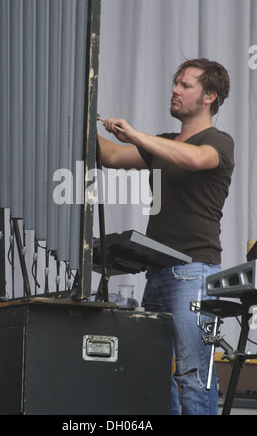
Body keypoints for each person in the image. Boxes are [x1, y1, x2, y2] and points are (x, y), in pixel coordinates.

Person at [98, 58, 234, 415]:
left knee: (191, 377)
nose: (174, 90)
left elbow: (193, 159)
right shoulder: (163, 143)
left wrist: (137, 135)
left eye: (185, 85)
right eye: (176, 84)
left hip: (193, 272)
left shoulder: (218, 141)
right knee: (153, 376)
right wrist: (76, 116)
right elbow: (110, 155)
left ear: (209, 97)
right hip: (157, 272)